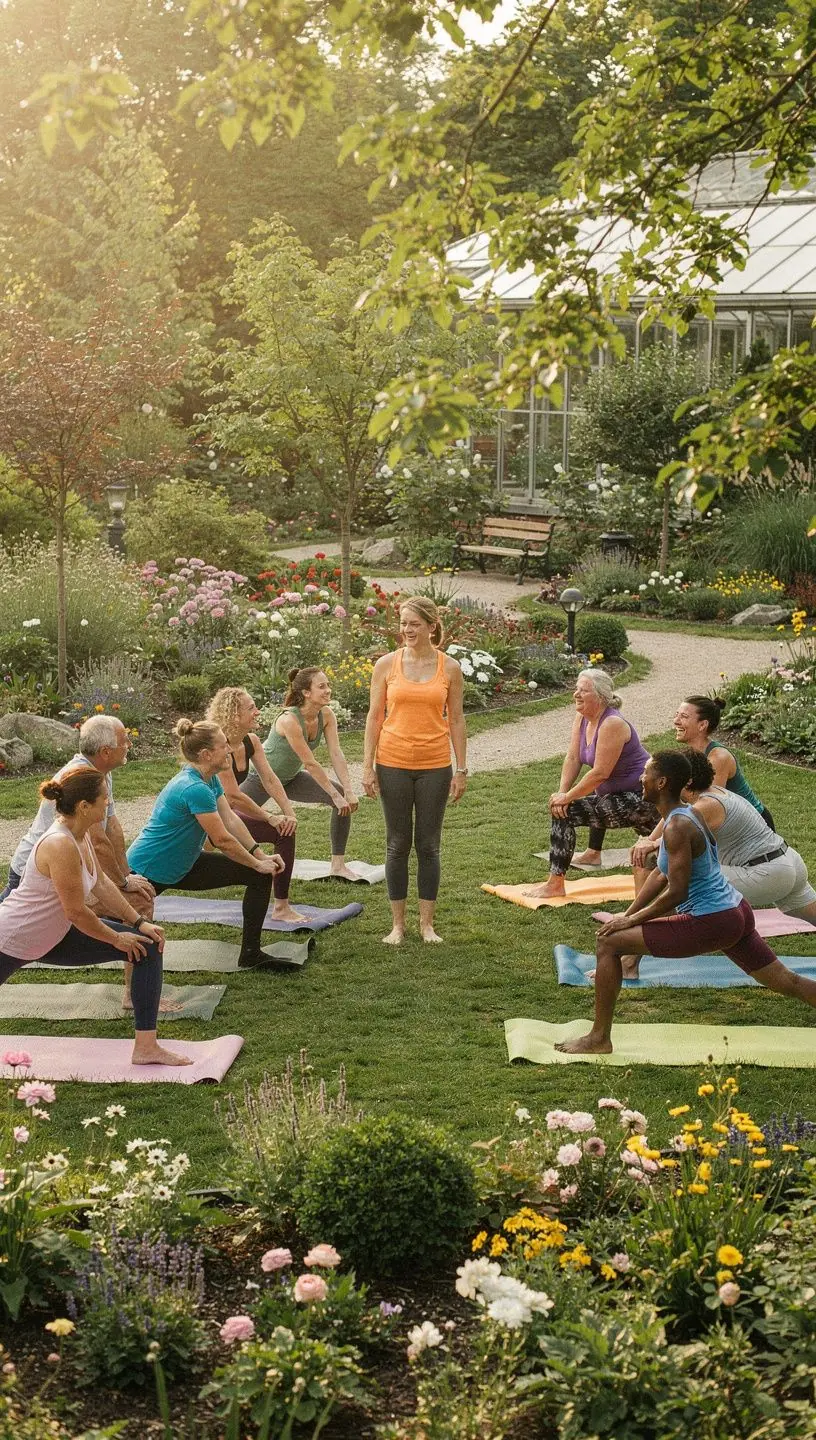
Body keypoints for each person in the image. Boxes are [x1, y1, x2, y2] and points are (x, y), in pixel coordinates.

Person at [556, 750, 816, 1055]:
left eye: (647, 773)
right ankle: (600, 1034)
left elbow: (676, 893)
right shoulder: (684, 815)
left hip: (713, 919)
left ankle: (599, 1038)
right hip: (734, 912)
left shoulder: (678, 826)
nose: (641, 778)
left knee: (609, 943)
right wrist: (627, 914)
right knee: (786, 981)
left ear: (662, 783)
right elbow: (660, 875)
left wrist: (631, 921)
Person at [0, 767, 189, 1067]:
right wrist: (116, 938)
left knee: (147, 946)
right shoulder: (59, 844)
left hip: (53, 936)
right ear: (84, 806)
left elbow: (100, 883)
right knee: (133, 944)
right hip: (13, 938)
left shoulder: (81, 834)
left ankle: (146, 1048)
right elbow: (76, 911)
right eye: (104, 797)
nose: (108, 802)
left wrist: (138, 923)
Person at [0, 715, 170, 1013]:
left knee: (143, 939)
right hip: (35, 881)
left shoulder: (98, 780)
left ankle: (138, 1012)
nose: (130, 745)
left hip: (53, 910)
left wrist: (129, 894)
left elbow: (109, 838)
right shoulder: (79, 789)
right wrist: (118, 934)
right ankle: (133, 995)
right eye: (124, 741)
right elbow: (78, 906)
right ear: (105, 751)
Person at [127, 719, 285, 969]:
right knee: (115, 927)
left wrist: (259, 856)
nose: (230, 750)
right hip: (148, 869)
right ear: (206, 754)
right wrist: (256, 863)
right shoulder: (193, 787)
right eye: (224, 746)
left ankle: (251, 954)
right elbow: (222, 840)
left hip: (183, 865)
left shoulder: (209, 779)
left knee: (259, 875)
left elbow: (230, 819)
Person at [627, 751, 816, 958]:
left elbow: (671, 846)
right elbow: (672, 819)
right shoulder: (714, 793)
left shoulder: (705, 806)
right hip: (787, 862)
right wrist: (650, 840)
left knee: (680, 883)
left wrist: (650, 844)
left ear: (684, 780)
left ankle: (630, 956)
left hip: (765, 873)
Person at [362, 595, 467, 944]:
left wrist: (462, 769)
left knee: (428, 845)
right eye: (403, 623)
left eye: (414, 624)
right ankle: (397, 925)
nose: (407, 630)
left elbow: (456, 719)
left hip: (435, 766)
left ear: (431, 626)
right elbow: (374, 717)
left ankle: (426, 925)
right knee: (397, 844)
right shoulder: (386, 665)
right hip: (391, 762)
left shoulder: (449, 668)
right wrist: (367, 767)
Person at [523, 669, 657, 899]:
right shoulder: (583, 717)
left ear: (601, 696)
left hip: (643, 799)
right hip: (618, 795)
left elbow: (600, 773)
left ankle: (555, 884)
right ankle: (592, 855)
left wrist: (568, 798)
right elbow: (573, 758)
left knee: (568, 811)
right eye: (576, 689)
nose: (576, 694)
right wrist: (562, 792)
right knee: (568, 806)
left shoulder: (612, 723)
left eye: (583, 690)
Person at [239, 668, 359, 881]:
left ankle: (338, 866)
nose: (328, 690)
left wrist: (347, 792)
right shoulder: (289, 720)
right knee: (225, 818)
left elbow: (336, 752)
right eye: (321, 686)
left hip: (291, 778)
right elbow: (310, 763)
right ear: (306, 692)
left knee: (341, 795)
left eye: (328, 685)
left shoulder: (326, 715)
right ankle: (200, 855)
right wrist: (334, 796)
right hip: (261, 779)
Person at [205, 688, 304, 924]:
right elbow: (233, 796)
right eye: (251, 708)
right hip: (205, 820)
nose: (257, 712)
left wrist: (288, 814)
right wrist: (270, 817)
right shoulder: (220, 746)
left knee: (285, 830)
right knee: (183, 863)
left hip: (225, 816)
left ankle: (281, 907)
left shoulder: (251, 741)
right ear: (234, 715)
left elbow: (269, 778)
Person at [673, 695, 774, 829]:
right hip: (731, 824)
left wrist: (661, 838)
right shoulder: (689, 755)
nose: (676, 721)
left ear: (702, 725)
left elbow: (708, 806)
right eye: (677, 715)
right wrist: (652, 838)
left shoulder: (718, 758)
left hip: (755, 825)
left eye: (684, 717)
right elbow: (677, 802)